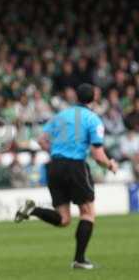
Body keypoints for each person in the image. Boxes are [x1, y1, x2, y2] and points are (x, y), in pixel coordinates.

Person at [15, 83, 118, 269]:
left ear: (77, 97)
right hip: (75, 166)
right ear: (93, 98)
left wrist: (55, 150)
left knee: (64, 219)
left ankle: (33, 210)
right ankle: (79, 260)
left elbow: (40, 140)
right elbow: (97, 154)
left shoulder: (60, 115)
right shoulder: (92, 119)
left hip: (54, 166)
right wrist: (110, 164)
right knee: (87, 213)